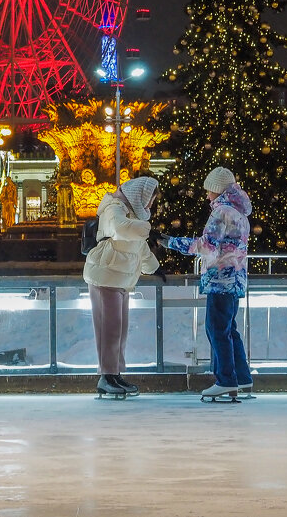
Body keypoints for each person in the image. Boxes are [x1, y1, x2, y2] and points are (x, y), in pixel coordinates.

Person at [159, 167, 253, 401]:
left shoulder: (221, 212)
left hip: (220, 278)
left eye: (209, 191)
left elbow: (206, 245)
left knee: (216, 329)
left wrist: (171, 243)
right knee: (229, 329)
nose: (206, 196)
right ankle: (242, 378)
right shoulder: (240, 213)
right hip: (236, 279)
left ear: (217, 190)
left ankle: (225, 380)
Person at [83, 176, 162, 398]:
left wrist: (153, 267)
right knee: (110, 329)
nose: (149, 206)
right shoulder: (113, 209)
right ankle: (106, 376)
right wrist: (147, 229)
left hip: (121, 278)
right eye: (149, 200)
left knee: (120, 330)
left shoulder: (133, 215)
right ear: (138, 195)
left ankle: (114, 373)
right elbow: (121, 229)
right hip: (105, 276)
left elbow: (139, 247)